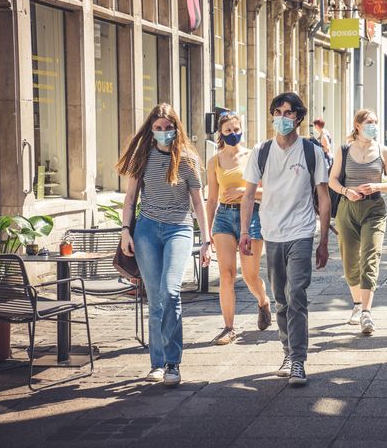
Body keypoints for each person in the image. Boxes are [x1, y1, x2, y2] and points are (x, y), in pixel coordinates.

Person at [116, 103, 211, 387]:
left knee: (171, 292)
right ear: (150, 130)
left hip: (178, 230)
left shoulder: (187, 160)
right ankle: (158, 364)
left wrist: (206, 241)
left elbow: (198, 202)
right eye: (157, 128)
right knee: (155, 298)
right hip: (146, 231)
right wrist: (125, 232)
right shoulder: (142, 156)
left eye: (168, 128)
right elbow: (131, 199)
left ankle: (173, 363)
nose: (163, 133)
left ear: (176, 128)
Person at [240, 92, 330, 386]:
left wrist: (324, 239)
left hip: (302, 232)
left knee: (297, 296)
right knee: (280, 299)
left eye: (288, 113)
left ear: (298, 118)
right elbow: (249, 194)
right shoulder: (261, 151)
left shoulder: (311, 151)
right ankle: (287, 351)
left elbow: (323, 197)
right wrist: (244, 232)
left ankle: (298, 361)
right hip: (272, 233)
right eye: (277, 111)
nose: (281, 117)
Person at [329, 109, 387, 334]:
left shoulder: (383, 151)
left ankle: (367, 313)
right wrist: (345, 191)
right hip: (347, 209)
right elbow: (331, 180)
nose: (374, 126)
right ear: (357, 125)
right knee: (350, 259)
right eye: (370, 122)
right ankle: (357, 305)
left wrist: (377, 186)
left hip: (374, 209)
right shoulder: (344, 150)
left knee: (371, 256)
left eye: (376, 122)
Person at [205, 109, 272, 346]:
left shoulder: (254, 155)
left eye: (236, 130)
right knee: (226, 274)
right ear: (220, 134)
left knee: (250, 276)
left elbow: (268, 190)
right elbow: (211, 198)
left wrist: (244, 191)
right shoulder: (214, 161)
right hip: (224, 217)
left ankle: (263, 301)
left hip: (251, 216)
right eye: (228, 131)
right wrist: (207, 230)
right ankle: (228, 328)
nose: (233, 134)